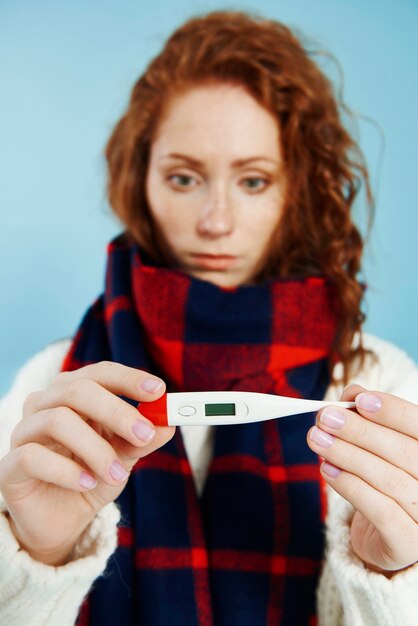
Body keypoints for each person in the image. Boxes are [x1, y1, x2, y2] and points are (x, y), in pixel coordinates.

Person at [0, 9, 417, 626]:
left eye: (252, 181)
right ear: (141, 180)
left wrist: (391, 576)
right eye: (185, 177)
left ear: (296, 189)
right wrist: (38, 553)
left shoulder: (379, 386)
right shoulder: (53, 391)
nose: (215, 221)